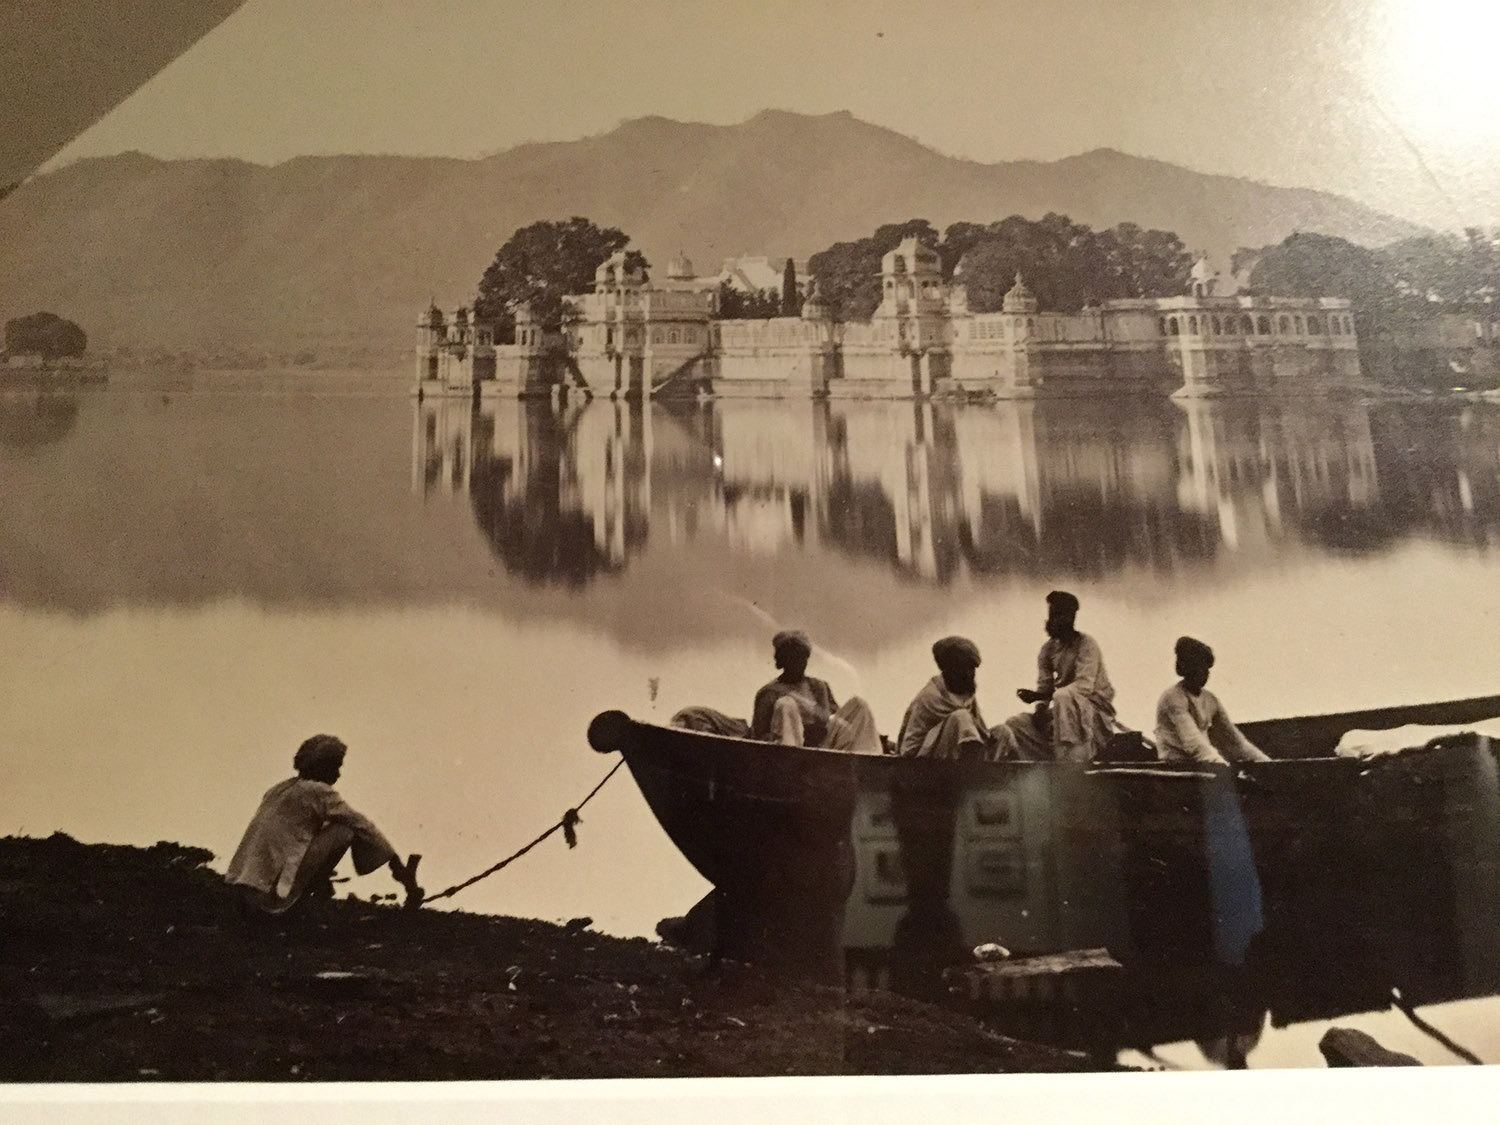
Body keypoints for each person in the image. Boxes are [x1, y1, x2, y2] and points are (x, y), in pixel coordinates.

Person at [226, 734, 423, 914]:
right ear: (321, 766)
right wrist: (395, 863)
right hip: (267, 900)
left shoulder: (278, 789)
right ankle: (306, 900)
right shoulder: (319, 792)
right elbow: (362, 825)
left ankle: (314, 889)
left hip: (241, 891)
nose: (338, 774)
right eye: (335, 767)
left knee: (331, 827)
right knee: (345, 831)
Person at [672, 630, 881, 754]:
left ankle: (870, 761)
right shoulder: (769, 693)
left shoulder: (819, 686)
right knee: (786, 704)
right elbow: (758, 735)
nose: (800, 663)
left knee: (859, 705)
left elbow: (840, 721)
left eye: (803, 658)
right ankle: (791, 762)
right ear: (783, 661)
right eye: (794, 658)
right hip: (790, 754)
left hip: (825, 748)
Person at [999, 590, 1117, 762]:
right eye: (1050, 616)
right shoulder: (1047, 649)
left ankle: (1071, 759)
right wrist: (1040, 707)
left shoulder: (1087, 644)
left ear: (1070, 618)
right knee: (1015, 724)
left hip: (1093, 711)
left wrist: (1042, 696)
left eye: (1056, 616)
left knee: (1063, 697)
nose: (1051, 621)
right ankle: (1051, 760)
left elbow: (1084, 687)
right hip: (1063, 711)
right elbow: (1044, 686)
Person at [1154, 636, 1270, 765]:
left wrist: (1268, 764)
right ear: (1187, 669)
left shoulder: (1211, 699)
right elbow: (1193, 742)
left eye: (1206, 668)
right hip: (1176, 764)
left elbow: (1235, 741)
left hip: (1202, 762)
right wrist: (1222, 765)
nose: (1204, 673)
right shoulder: (1172, 697)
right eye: (1198, 667)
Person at [896, 636, 1002, 760]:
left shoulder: (966, 693)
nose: (968, 674)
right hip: (930, 763)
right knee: (960, 717)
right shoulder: (929, 697)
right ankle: (971, 768)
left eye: (971, 668)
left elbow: (981, 732)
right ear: (947, 669)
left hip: (965, 760)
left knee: (1002, 732)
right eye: (962, 668)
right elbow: (909, 749)